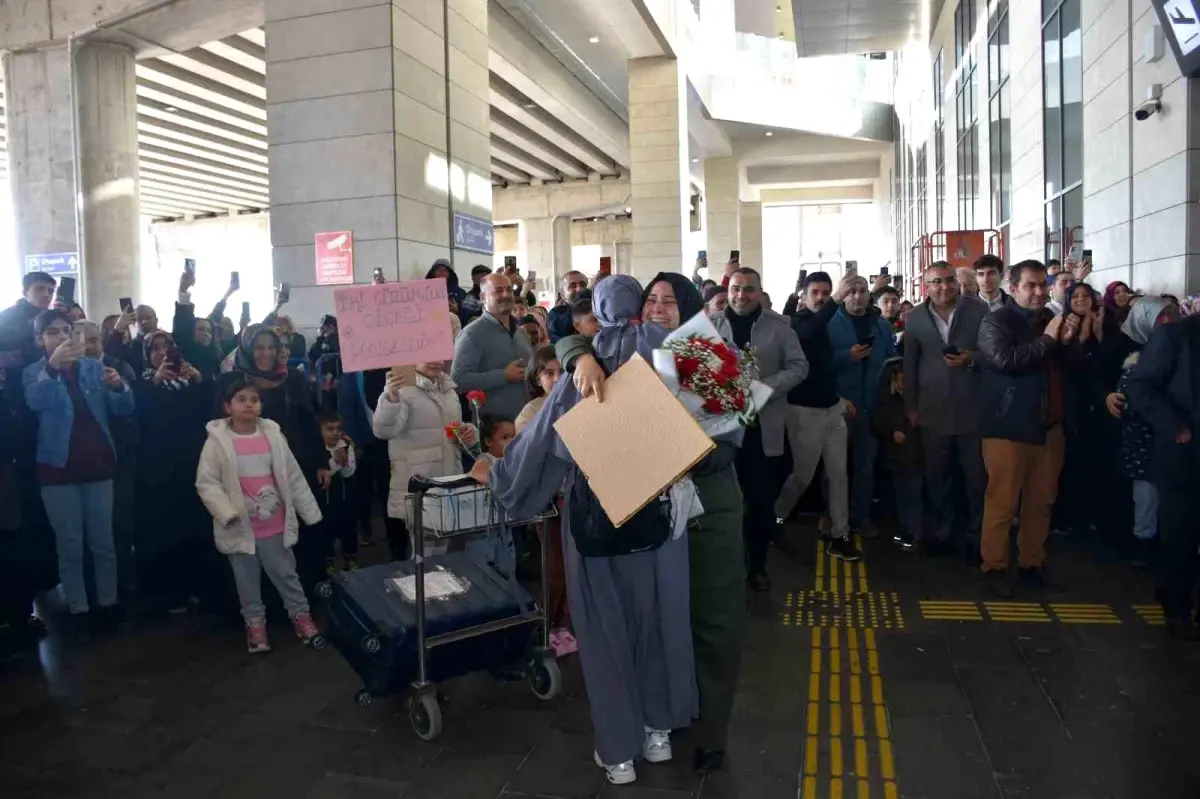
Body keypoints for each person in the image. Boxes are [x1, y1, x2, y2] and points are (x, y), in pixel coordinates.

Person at [486, 274, 697, 784]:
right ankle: (658, 732)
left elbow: (536, 451)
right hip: (661, 521)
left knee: (604, 634)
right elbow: (726, 423)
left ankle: (619, 752)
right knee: (660, 623)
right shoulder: (681, 357)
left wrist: (497, 476)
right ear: (641, 306)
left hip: (596, 524)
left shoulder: (582, 369)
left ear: (597, 313)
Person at [24, 309, 135, 629]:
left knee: (104, 543)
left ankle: (108, 603)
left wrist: (119, 387)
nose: (62, 337)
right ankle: (78, 609)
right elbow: (36, 401)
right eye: (53, 332)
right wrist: (53, 366)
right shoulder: (34, 372)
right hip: (57, 472)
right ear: (40, 339)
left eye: (67, 330)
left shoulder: (94, 366)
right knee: (70, 546)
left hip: (98, 466)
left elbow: (124, 408)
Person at [195, 378, 323, 652]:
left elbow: (292, 476)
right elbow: (207, 483)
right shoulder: (217, 443)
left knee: (286, 574)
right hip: (240, 528)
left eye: (254, 399)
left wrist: (309, 511)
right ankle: (255, 626)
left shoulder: (273, 436)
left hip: (274, 525)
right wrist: (226, 513)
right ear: (227, 406)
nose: (249, 405)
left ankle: (301, 616)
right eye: (241, 399)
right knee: (247, 582)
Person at [976, 261, 1076, 597]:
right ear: (1013, 288)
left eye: (1042, 285)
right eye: (1030, 286)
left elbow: (1067, 368)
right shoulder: (997, 321)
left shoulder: (1050, 319)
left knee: (1041, 501)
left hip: (1049, 426)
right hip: (1009, 427)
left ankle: (1032, 563)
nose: (1038, 292)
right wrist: (1048, 340)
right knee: (1003, 502)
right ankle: (994, 566)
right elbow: (1004, 361)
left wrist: (1067, 341)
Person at [712, 268, 808, 591]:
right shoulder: (709, 324)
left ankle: (757, 566)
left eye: (749, 289)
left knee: (761, 502)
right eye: (736, 288)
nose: (741, 295)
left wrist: (763, 388)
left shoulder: (780, 326)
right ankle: (726, 566)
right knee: (723, 503)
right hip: (721, 430)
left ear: (759, 291)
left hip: (762, 429)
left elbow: (799, 367)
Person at [222, 325, 327, 591]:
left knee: (302, 530)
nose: (266, 353)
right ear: (247, 350)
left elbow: (308, 421)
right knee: (267, 532)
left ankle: (306, 592)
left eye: (271, 347)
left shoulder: (292, 378)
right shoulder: (234, 383)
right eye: (259, 347)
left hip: (297, 464)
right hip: (255, 472)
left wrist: (321, 462)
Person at [1123, 295, 1200, 637]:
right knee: (1181, 535)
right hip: (1185, 453)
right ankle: (1177, 607)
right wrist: (1175, 427)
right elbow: (1140, 387)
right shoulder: (1176, 336)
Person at [902, 261, 988, 556]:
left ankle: (976, 538)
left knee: (976, 480)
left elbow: (993, 353)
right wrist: (911, 408)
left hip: (972, 409)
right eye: (936, 282)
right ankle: (942, 534)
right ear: (926, 286)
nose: (944, 287)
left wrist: (971, 358)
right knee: (938, 478)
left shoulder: (978, 310)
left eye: (949, 280)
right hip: (932, 411)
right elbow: (909, 365)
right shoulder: (914, 317)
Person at [776, 272, 862, 562]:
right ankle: (776, 519)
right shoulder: (795, 323)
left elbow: (824, 368)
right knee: (802, 477)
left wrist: (838, 399)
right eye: (815, 292)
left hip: (832, 410)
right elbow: (808, 335)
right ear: (803, 296)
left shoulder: (825, 324)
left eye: (826, 292)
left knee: (839, 475)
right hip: (804, 412)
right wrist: (837, 299)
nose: (821, 297)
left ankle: (840, 535)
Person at [131, 330, 213, 614]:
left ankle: (196, 587)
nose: (162, 353)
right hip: (158, 472)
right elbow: (139, 416)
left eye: (167, 347)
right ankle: (169, 594)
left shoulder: (191, 381)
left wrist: (200, 380)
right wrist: (155, 383)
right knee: (164, 531)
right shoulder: (142, 383)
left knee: (193, 528)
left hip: (191, 467)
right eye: (155, 348)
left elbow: (210, 413)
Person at [827, 275, 896, 537]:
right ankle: (833, 517)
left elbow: (890, 362)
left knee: (865, 468)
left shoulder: (881, 325)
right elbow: (818, 363)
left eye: (863, 291)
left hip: (871, 407)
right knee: (834, 468)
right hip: (838, 407)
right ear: (842, 295)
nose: (857, 296)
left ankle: (861, 517)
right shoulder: (831, 323)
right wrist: (847, 357)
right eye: (852, 291)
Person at [372, 362, 463, 560]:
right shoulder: (402, 389)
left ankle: (436, 579)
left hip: (446, 481)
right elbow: (383, 430)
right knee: (424, 551)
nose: (435, 361)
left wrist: (467, 434)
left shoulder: (448, 388)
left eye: (439, 355)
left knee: (441, 546)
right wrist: (391, 398)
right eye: (428, 356)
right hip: (419, 484)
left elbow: (452, 432)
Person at [1110, 297, 1176, 565]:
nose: (1167, 321)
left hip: (1171, 435)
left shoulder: (1178, 346)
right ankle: (1144, 544)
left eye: (1169, 314)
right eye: (1160, 316)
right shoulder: (1127, 352)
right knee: (1146, 496)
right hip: (1142, 435)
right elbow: (1126, 396)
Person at [451, 273, 533, 421]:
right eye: (498, 291)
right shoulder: (472, 334)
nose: (506, 295)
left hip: (527, 422)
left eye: (509, 289)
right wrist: (503, 376)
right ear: (483, 297)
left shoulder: (521, 333)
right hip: (493, 427)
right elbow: (458, 380)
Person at [875, 358, 922, 548]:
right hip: (898, 456)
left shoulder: (917, 401)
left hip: (914, 454)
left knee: (912, 494)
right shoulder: (887, 398)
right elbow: (879, 420)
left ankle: (914, 533)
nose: (902, 384)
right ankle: (907, 531)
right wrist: (892, 431)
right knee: (903, 494)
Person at [317, 410, 358, 573]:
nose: (335, 433)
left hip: (344, 495)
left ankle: (351, 558)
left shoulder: (346, 444)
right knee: (326, 528)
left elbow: (349, 472)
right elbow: (321, 476)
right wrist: (335, 462)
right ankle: (329, 562)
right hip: (324, 498)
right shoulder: (316, 449)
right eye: (330, 429)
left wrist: (344, 461)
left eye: (338, 429)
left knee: (348, 525)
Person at [546, 271, 591, 343]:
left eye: (582, 284)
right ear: (563, 295)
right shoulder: (556, 314)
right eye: (572, 286)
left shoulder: (597, 309)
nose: (579, 289)